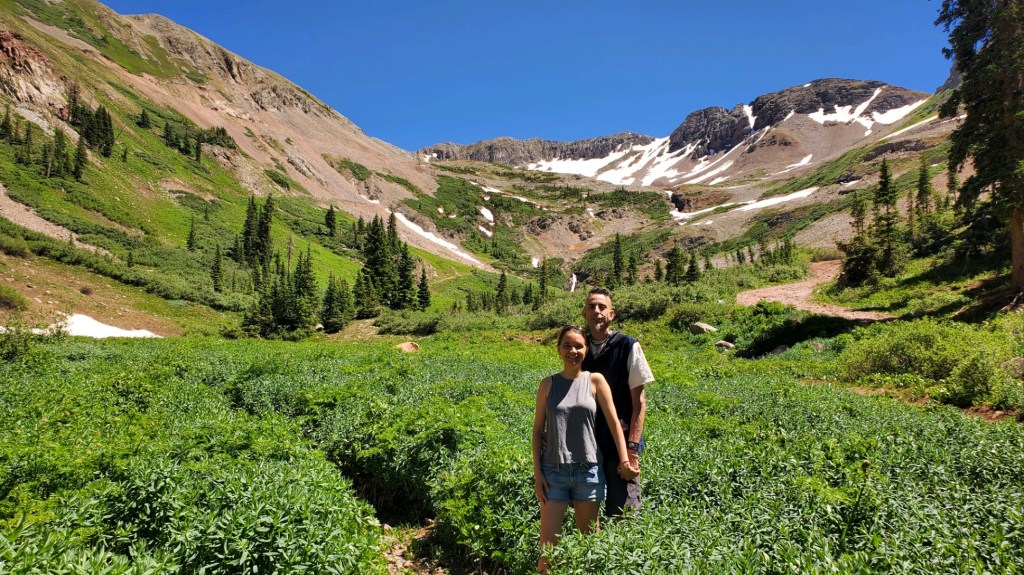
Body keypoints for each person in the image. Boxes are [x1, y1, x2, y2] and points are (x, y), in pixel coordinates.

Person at [532, 325, 639, 574]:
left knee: (590, 547)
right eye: (567, 345)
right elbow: (538, 431)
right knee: (547, 553)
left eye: (578, 346)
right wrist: (538, 474)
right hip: (553, 473)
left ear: (586, 349)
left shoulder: (595, 380)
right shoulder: (547, 385)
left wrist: (625, 458)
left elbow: (614, 423)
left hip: (588, 472)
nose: (573, 351)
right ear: (558, 349)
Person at [581, 287, 654, 517]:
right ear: (584, 313)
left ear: (611, 314)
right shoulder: (577, 346)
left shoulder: (627, 346)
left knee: (623, 512)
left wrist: (632, 448)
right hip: (586, 445)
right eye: (592, 306)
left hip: (619, 443)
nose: (597, 311)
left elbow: (639, 403)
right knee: (585, 512)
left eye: (602, 307)